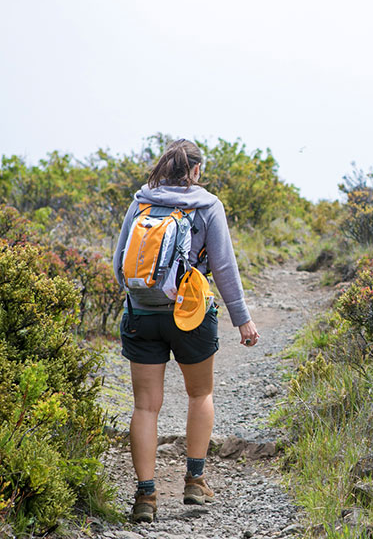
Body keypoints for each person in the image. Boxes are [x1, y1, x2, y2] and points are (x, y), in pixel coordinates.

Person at [112, 139, 260, 523]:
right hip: (191, 315)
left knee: (146, 405)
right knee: (200, 393)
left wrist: (144, 298)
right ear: (195, 170)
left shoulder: (141, 202)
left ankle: (145, 497)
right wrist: (241, 318)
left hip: (142, 314)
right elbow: (224, 268)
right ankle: (194, 481)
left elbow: (118, 265)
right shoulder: (208, 205)